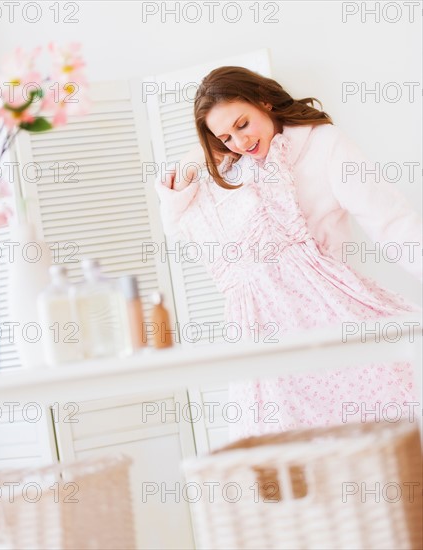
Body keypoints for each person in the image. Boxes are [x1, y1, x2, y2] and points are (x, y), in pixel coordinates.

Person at [154, 66, 422, 440]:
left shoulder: (323, 145)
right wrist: (193, 157)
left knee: (379, 432)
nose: (241, 142)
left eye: (243, 124)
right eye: (226, 137)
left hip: (329, 314)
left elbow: (392, 224)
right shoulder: (234, 169)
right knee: (290, 460)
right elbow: (174, 221)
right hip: (263, 339)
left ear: (264, 101)